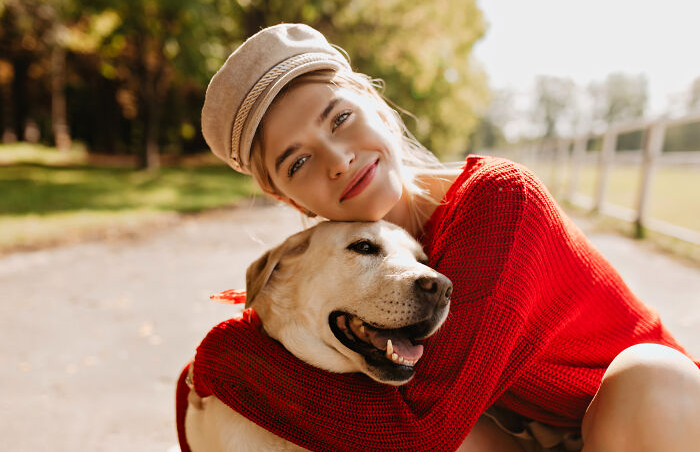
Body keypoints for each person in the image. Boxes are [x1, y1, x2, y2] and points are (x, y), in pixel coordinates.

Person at [176, 23, 700, 451]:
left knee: (650, 375)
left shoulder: (498, 201)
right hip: (526, 434)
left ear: (377, 107)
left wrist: (228, 363)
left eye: (339, 119)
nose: (338, 160)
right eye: (300, 161)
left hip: (648, 423)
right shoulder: (343, 277)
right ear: (289, 198)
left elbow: (419, 431)